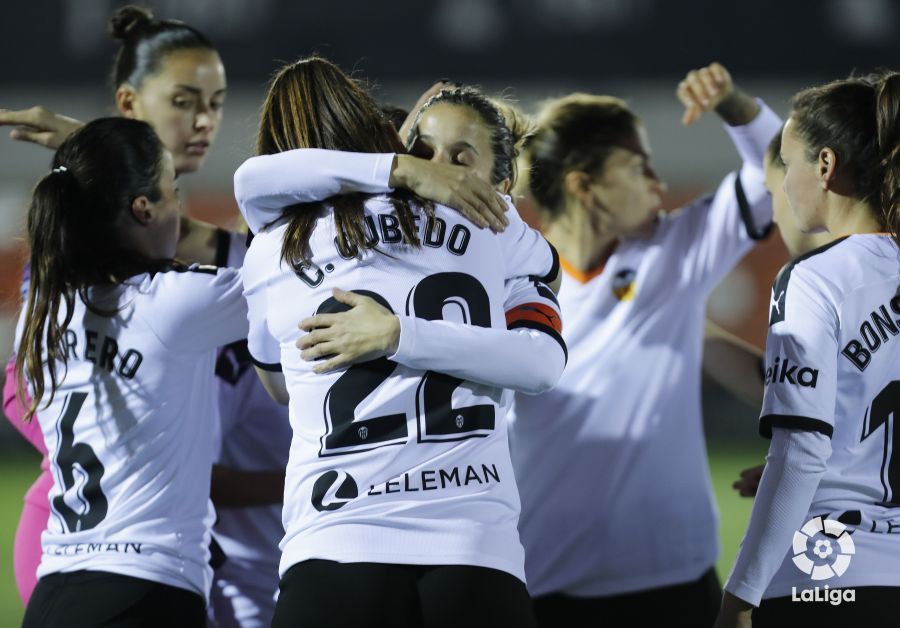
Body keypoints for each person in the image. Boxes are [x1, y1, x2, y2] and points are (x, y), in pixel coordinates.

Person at [238, 56, 565, 628]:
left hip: (332, 543)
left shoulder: (268, 248)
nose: (441, 170)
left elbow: (278, 384)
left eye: (459, 160)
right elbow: (549, 285)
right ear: (385, 136)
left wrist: (392, 332)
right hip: (471, 548)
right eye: (426, 152)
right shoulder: (491, 222)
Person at [0, 7, 291, 623]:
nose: (205, 121)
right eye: (184, 100)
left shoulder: (77, 278)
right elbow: (16, 394)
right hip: (120, 541)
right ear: (128, 103)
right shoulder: (114, 276)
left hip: (186, 550)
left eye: (215, 101)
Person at [499, 62, 782, 628]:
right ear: (584, 186)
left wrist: (732, 103)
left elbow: (774, 171)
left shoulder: (669, 255)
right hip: (543, 583)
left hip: (674, 580)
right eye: (638, 166)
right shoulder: (503, 280)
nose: (658, 183)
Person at [14, 117, 248, 627]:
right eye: (174, 192)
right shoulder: (175, 302)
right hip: (144, 589)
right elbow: (297, 277)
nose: (180, 213)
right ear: (143, 209)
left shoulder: (44, 313)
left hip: (53, 589)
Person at [715, 72, 900, 628]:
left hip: (831, 571)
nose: (785, 184)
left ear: (825, 166)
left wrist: (740, 596)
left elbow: (801, 451)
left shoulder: (815, 279)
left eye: (788, 164)